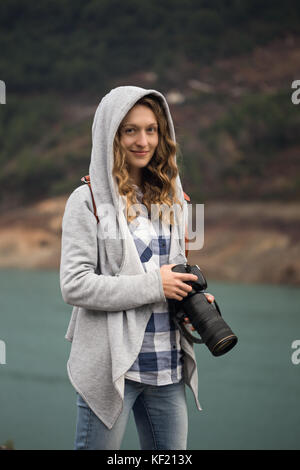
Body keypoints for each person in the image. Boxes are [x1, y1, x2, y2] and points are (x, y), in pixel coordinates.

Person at [59, 85, 215, 450]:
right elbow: (75, 286)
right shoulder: (87, 201)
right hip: (114, 369)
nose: (142, 140)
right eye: (130, 129)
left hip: (167, 367)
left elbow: (168, 275)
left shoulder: (172, 198)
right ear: (111, 133)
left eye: (151, 129)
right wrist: (154, 285)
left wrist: (189, 299)